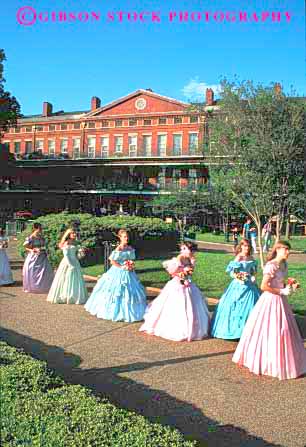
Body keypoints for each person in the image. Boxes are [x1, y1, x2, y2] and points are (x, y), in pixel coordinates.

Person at [232, 241, 306, 380]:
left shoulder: (284, 265)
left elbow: (279, 282)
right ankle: (266, 359)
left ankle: (283, 357)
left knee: (283, 329)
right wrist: (281, 290)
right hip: (270, 300)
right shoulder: (271, 265)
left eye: (288, 250)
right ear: (277, 249)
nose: (288, 252)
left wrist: (289, 286)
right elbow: (264, 286)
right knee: (270, 329)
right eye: (285, 250)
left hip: (281, 301)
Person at [139, 242, 210, 341]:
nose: (185, 251)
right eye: (184, 249)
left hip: (187, 283)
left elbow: (190, 272)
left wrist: (189, 269)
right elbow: (172, 272)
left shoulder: (190, 259)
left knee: (193, 304)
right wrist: (181, 273)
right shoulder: (179, 258)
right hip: (177, 284)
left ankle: (193, 327)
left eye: (187, 249)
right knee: (177, 305)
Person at [85, 229, 146, 322]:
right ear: (120, 238)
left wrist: (131, 265)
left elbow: (131, 259)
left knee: (130, 291)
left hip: (129, 272)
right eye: (124, 237)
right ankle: (115, 311)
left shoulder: (130, 248)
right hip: (118, 271)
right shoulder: (119, 248)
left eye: (127, 236)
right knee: (116, 291)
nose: (126, 238)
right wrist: (122, 267)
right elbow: (112, 261)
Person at [210, 239, 260, 340]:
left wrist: (252, 276)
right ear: (241, 246)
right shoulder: (239, 257)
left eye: (248, 246)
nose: (246, 248)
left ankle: (248, 331)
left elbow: (253, 271)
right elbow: (232, 272)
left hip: (250, 285)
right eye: (244, 246)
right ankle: (235, 331)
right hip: (238, 286)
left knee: (252, 306)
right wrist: (239, 277)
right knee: (233, 305)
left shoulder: (251, 257)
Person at [47, 228, 88, 304]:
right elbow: (66, 255)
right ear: (69, 235)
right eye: (73, 233)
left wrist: (81, 252)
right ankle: (65, 296)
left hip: (75, 262)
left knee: (76, 278)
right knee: (65, 278)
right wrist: (70, 265)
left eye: (75, 233)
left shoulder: (75, 242)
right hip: (67, 262)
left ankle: (75, 296)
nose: (74, 234)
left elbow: (77, 256)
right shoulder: (66, 243)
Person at [23, 223, 54, 293]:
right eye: (40, 228)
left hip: (42, 256)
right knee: (33, 272)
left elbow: (44, 245)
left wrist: (45, 249)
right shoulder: (31, 237)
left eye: (41, 228)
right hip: (34, 257)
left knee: (46, 271)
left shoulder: (41, 237)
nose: (41, 230)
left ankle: (43, 287)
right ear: (35, 229)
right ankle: (33, 287)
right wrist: (32, 250)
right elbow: (26, 247)